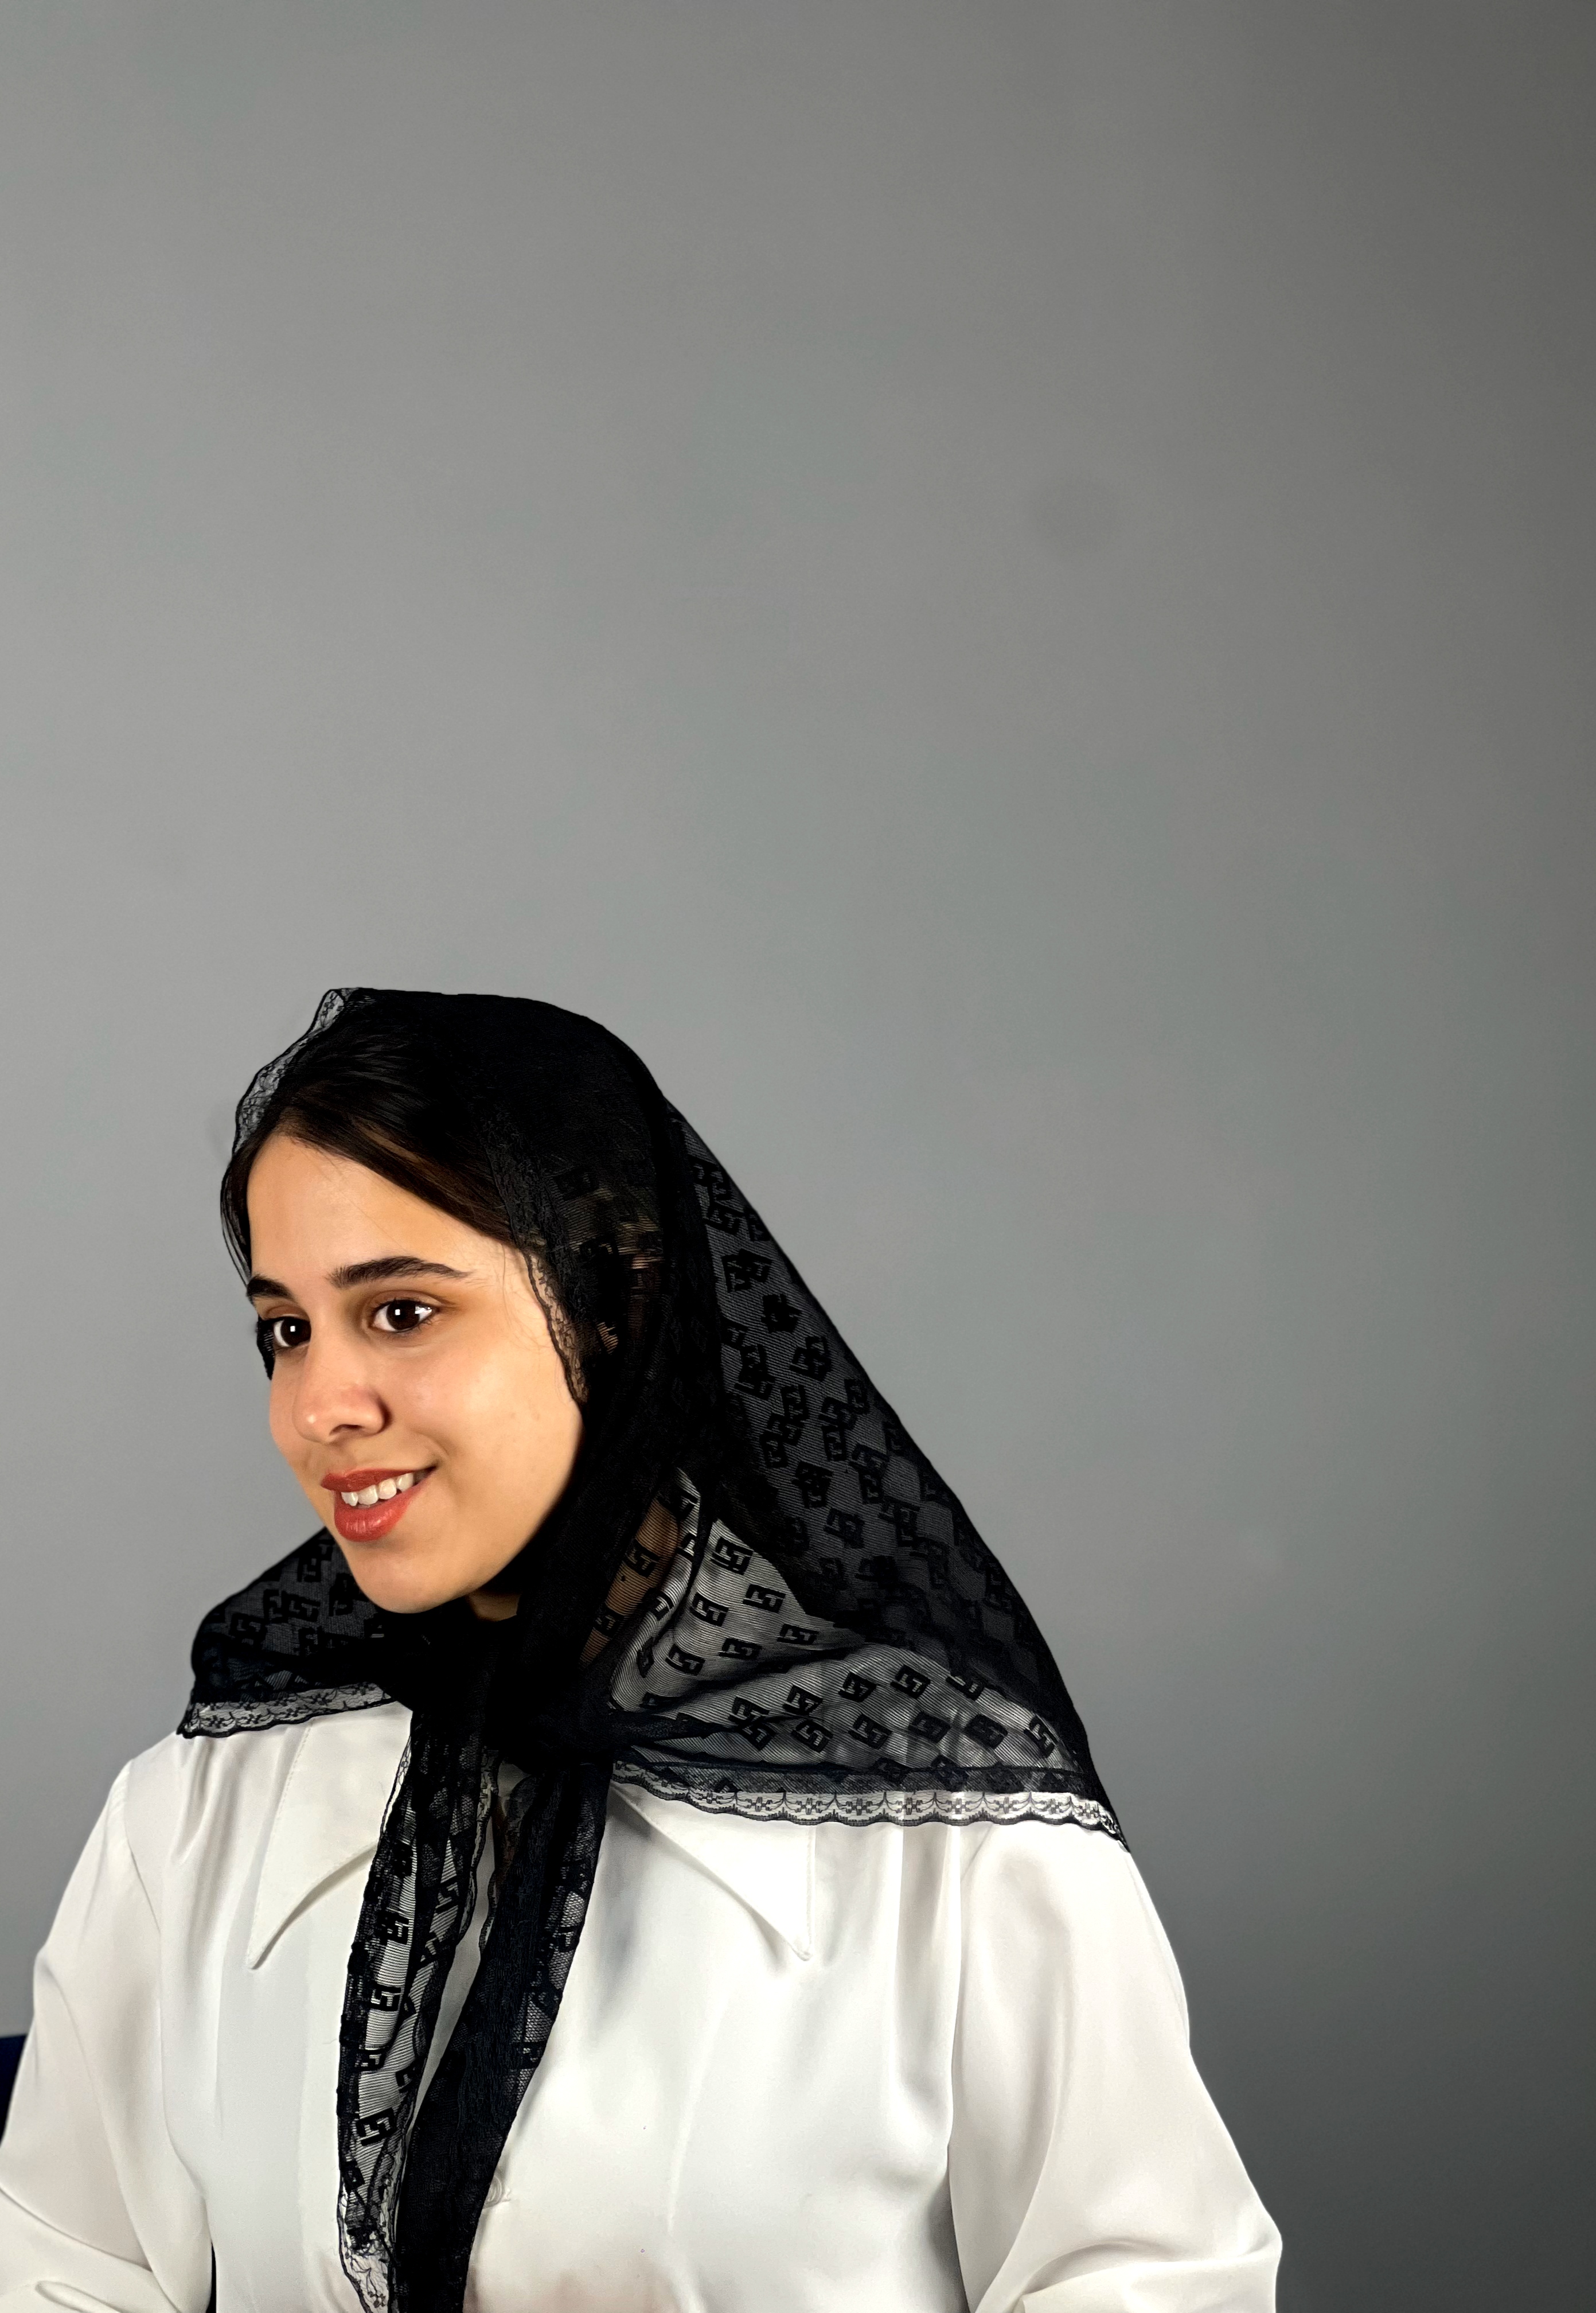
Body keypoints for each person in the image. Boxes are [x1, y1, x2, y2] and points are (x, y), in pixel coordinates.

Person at [0, 988, 1281, 2313]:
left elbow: (1147, 2279)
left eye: (402, 1312)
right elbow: (57, 2266)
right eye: (287, 1328)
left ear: (614, 1301)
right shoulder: (195, 1817)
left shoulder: (959, 1839)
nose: (319, 1405)